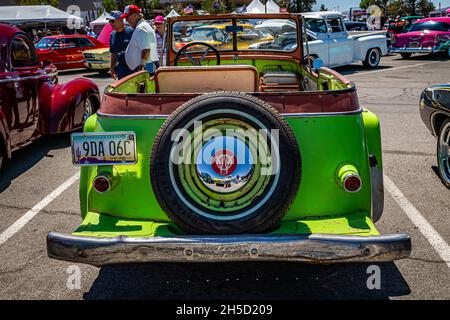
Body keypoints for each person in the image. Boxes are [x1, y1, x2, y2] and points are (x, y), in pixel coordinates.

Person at [121, 5, 158, 75]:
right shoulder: (143, 26)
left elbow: (146, 49)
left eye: (127, 17)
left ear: (135, 15)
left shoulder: (141, 28)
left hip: (146, 66)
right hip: (149, 64)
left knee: (147, 85)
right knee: (150, 84)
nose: (126, 20)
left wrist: (142, 66)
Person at [106, 10, 134, 80]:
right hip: (121, 69)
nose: (110, 23)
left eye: (112, 21)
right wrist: (112, 68)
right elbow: (113, 53)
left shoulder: (131, 32)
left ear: (120, 20)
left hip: (133, 68)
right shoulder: (112, 35)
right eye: (109, 21)